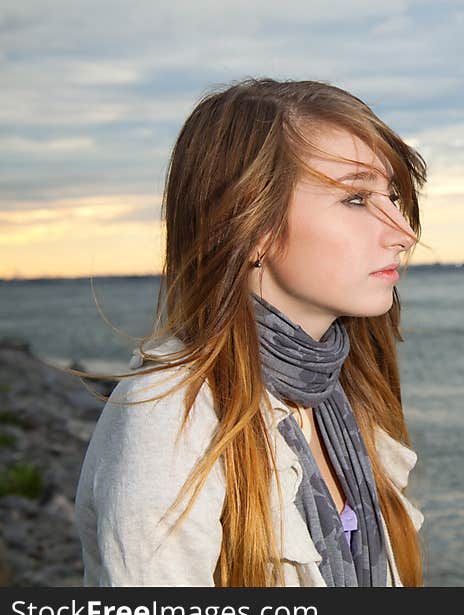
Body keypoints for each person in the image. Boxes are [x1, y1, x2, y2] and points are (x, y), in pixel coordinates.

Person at [71, 79, 427, 587]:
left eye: (392, 196)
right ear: (251, 223)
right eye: (355, 198)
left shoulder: (341, 394)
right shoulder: (173, 416)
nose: (403, 231)